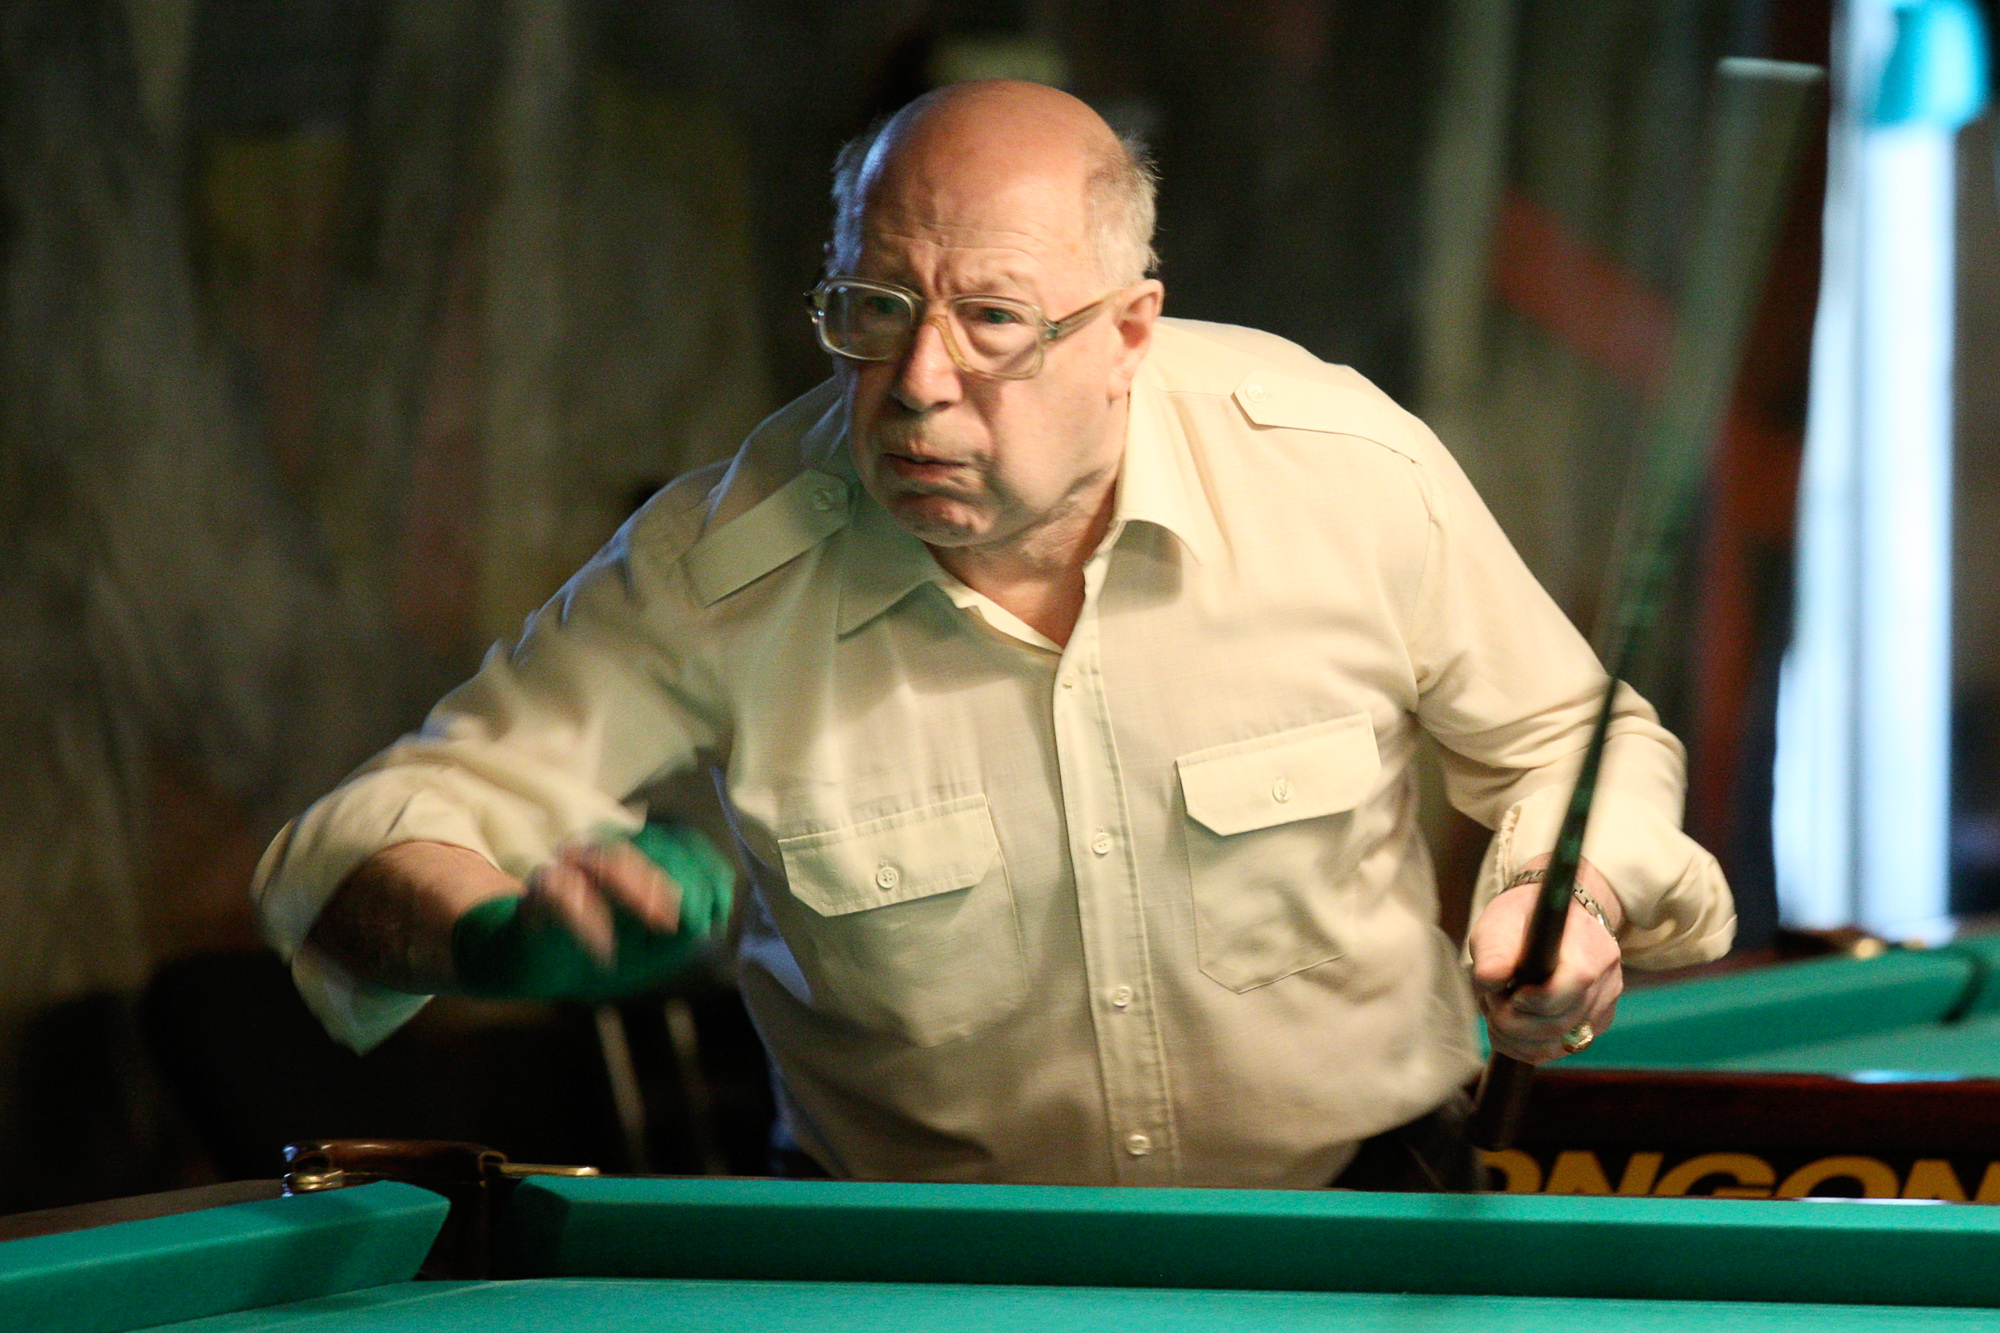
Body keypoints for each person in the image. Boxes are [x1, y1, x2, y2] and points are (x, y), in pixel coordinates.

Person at [254, 80, 1733, 1189]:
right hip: (912, 1263)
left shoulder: (1340, 468)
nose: (915, 384)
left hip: (1359, 1211)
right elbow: (352, 855)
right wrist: (497, 936)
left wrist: (1566, 890)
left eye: (994, 321)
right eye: (874, 307)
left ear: (1130, 331)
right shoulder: (722, 566)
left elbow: (1573, 739)